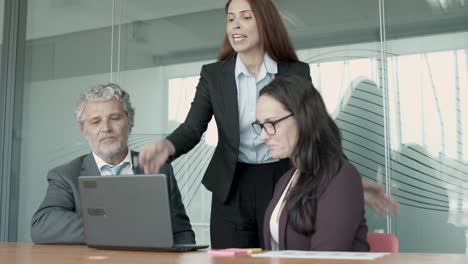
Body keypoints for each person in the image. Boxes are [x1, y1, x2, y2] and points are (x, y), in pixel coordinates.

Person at [139, 0, 397, 249]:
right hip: (232, 184)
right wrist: (167, 146)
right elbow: (192, 128)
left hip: (281, 177)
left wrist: (341, 177)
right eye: (231, 19)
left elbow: (314, 127)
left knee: (280, 250)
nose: (235, 26)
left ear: (265, 23)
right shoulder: (214, 75)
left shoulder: (295, 72)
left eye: (245, 17)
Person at [31, 83, 195, 244]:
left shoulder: (159, 169)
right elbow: (43, 224)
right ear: (83, 130)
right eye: (96, 122)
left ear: (130, 122)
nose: (106, 128)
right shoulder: (66, 175)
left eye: (115, 118)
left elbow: (182, 233)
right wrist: (118, 227)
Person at [256, 75, 369, 251]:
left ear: (302, 118)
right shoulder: (285, 181)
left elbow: (326, 258)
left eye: (271, 123)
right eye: (261, 125)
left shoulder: (341, 176)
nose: (263, 135)